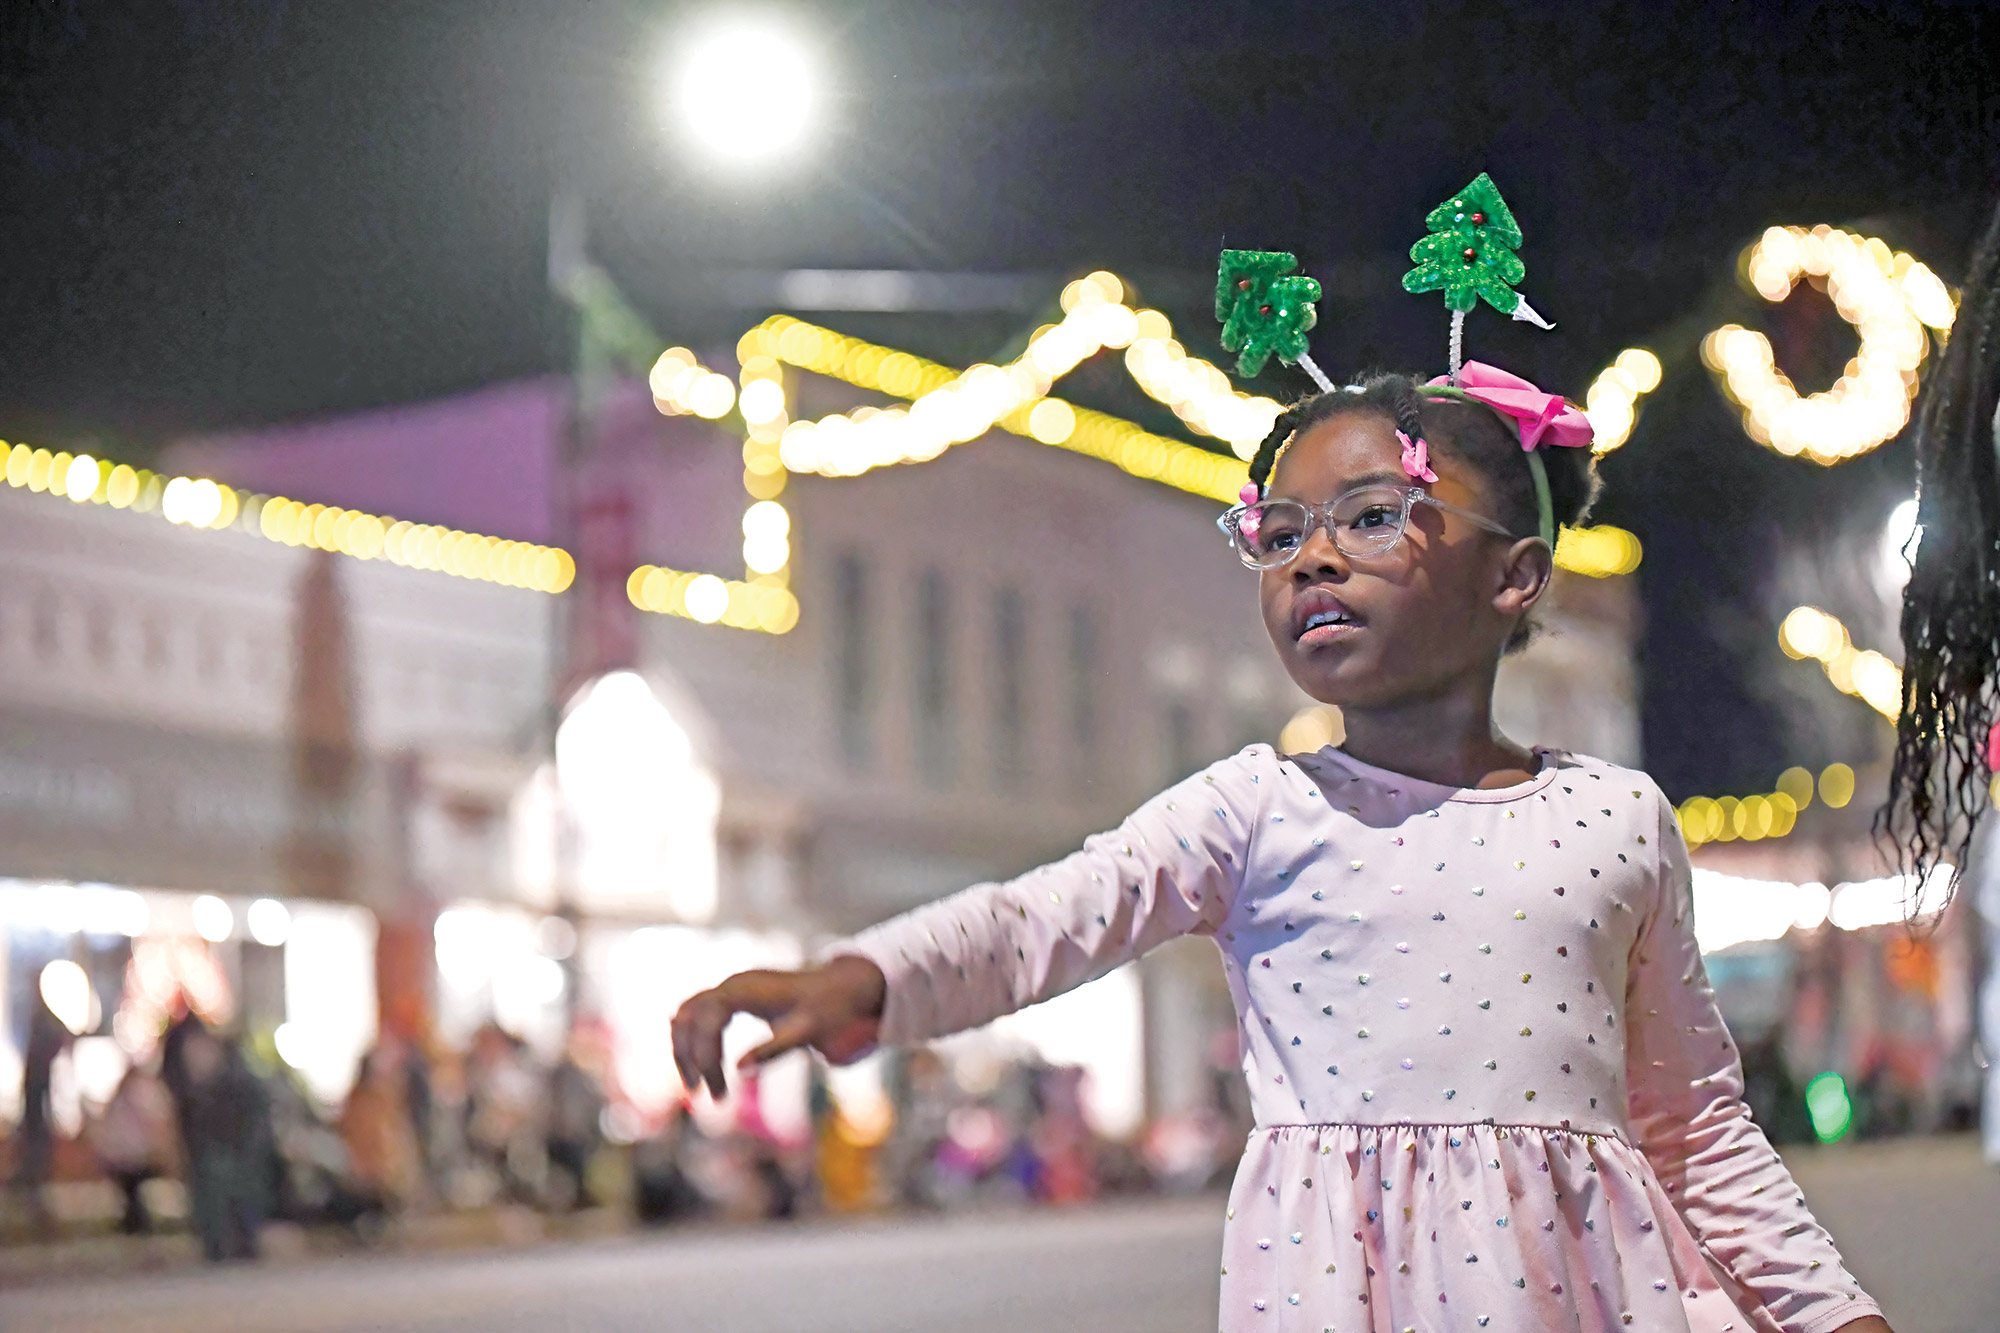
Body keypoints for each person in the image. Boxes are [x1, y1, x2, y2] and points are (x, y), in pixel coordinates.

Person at [676, 353, 1894, 1329]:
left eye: (1372, 516)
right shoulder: (1253, 810)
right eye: (1279, 532)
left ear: (1513, 576)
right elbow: (1041, 920)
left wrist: (1829, 1310)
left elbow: (1691, 1125)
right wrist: (869, 976)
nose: (1310, 555)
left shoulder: (1613, 819)